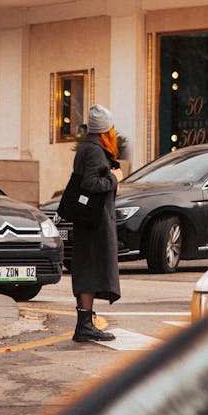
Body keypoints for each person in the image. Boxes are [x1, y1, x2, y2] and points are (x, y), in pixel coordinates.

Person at [71, 103, 124, 343]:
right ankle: (84, 325)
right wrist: (113, 179)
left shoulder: (88, 147)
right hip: (94, 220)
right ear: (106, 130)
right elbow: (90, 184)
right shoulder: (94, 150)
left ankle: (85, 322)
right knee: (90, 269)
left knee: (88, 268)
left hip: (89, 219)